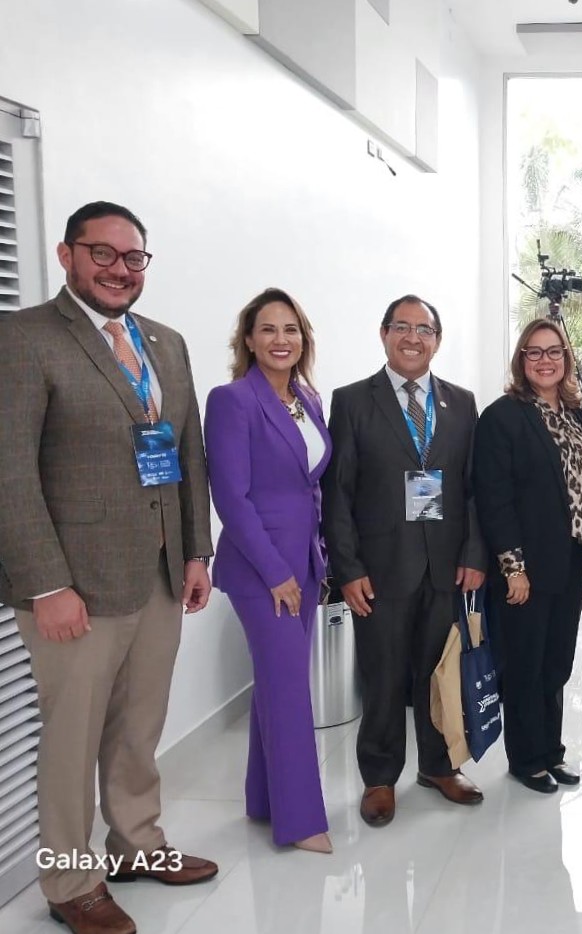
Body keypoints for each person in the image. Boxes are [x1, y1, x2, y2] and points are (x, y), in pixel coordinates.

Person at [0, 201, 218, 934]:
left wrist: (195, 551)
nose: (119, 270)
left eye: (133, 258)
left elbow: (187, 454)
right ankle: (69, 881)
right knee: (72, 737)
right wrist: (46, 584)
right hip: (74, 587)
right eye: (103, 254)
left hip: (159, 573)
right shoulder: (24, 339)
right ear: (67, 255)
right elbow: (9, 473)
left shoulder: (165, 342)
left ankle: (136, 844)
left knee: (138, 726)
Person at [321, 294, 486, 823]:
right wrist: (348, 570)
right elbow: (338, 493)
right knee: (384, 676)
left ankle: (438, 766)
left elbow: (473, 489)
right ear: (384, 334)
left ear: (437, 340)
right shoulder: (352, 401)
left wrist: (474, 553)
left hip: (446, 566)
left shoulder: (461, 402)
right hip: (380, 569)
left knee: (439, 673)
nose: (413, 338)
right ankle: (379, 777)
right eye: (402, 327)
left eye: (424, 329)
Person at [204, 288, 332, 854]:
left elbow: (309, 484)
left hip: (305, 562)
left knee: (278, 684)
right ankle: (301, 822)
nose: (281, 340)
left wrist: (316, 556)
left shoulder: (307, 399)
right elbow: (231, 498)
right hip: (263, 570)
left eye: (291, 330)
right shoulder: (232, 401)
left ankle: (263, 799)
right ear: (249, 341)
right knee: (289, 690)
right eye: (268, 330)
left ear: (303, 339)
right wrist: (277, 572)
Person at [473, 319, 582, 793]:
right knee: (525, 663)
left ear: (566, 358)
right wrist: (513, 568)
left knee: (556, 662)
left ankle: (550, 752)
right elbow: (494, 498)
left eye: (554, 351)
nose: (546, 361)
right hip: (525, 566)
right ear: (521, 360)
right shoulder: (503, 416)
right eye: (534, 352)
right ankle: (526, 759)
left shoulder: (577, 413)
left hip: (570, 559)